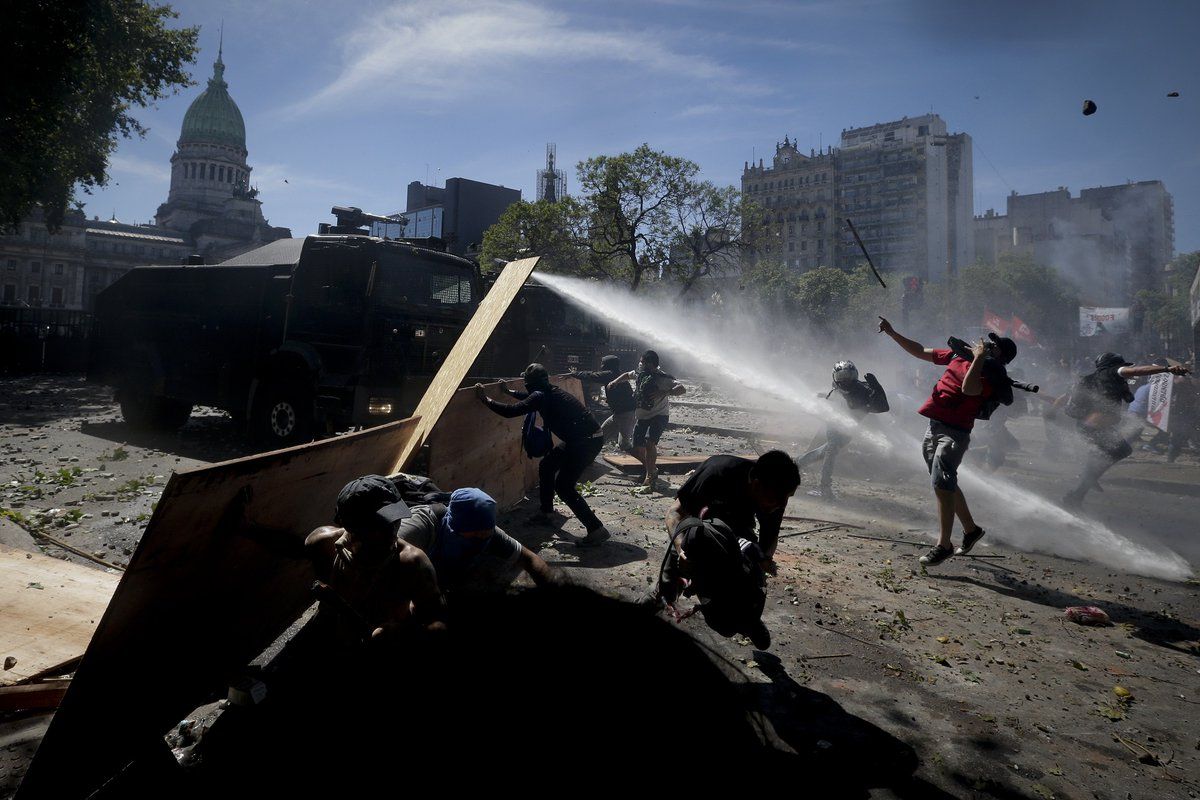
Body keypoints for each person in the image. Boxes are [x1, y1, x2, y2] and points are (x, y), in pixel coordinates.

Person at [878, 317, 1017, 567]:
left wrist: (979, 359)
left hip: (955, 432)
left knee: (942, 480)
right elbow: (920, 351)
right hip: (934, 425)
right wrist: (892, 333)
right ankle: (972, 530)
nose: (985, 344)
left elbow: (968, 389)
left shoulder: (990, 375)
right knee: (944, 481)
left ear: (1000, 357)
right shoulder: (957, 357)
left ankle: (944, 545)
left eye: (993, 346)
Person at [475, 363, 611, 546]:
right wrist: (509, 392)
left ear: (531, 384)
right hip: (584, 439)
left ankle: (596, 529)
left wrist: (486, 400)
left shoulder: (541, 395)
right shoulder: (547, 392)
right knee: (547, 466)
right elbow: (529, 399)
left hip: (585, 442)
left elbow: (512, 411)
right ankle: (546, 513)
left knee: (564, 486)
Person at [305, 475, 447, 645]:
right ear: (351, 526)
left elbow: (438, 624)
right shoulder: (322, 544)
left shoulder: (412, 562)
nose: (392, 532)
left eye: (394, 519)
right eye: (377, 525)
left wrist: (402, 632)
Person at [1062, 353, 1190, 508]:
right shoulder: (1111, 371)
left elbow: (1129, 398)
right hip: (1095, 426)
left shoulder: (1096, 378)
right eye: (1123, 366)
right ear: (1114, 365)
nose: (1125, 369)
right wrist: (1167, 369)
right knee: (1119, 450)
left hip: (1090, 426)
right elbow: (1136, 371)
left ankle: (1083, 485)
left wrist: (1123, 387)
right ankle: (1084, 482)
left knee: (1115, 451)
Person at [397, 487, 557, 593]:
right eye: (475, 533)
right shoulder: (420, 525)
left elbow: (529, 558)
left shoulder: (488, 532)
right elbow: (378, 553)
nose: (482, 537)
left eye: (486, 532)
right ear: (457, 526)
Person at [665, 450, 801, 569]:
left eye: (788, 497)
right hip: (699, 528)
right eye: (777, 498)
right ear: (756, 484)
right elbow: (675, 512)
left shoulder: (776, 497)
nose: (783, 505)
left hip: (740, 529)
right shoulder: (717, 473)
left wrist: (762, 561)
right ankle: (660, 593)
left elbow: (770, 538)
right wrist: (680, 549)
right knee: (675, 571)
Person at [795, 360, 889, 499]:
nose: (845, 380)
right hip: (835, 425)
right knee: (831, 451)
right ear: (835, 377)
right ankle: (824, 488)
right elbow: (840, 401)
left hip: (849, 430)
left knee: (823, 452)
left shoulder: (864, 390)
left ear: (855, 376)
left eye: (849, 376)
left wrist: (877, 387)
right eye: (841, 377)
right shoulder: (836, 390)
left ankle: (794, 464)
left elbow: (883, 407)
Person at [616, 350, 685, 487]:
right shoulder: (640, 374)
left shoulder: (662, 377)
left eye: (642, 361)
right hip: (642, 416)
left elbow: (682, 388)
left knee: (649, 443)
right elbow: (627, 375)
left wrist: (665, 392)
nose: (640, 364)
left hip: (659, 416)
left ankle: (649, 476)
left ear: (650, 363)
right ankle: (651, 469)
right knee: (637, 447)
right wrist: (615, 381)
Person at [574, 354, 636, 452]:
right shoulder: (616, 374)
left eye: (603, 364)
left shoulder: (610, 374)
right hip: (618, 414)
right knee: (600, 436)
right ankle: (589, 458)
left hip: (626, 415)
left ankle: (644, 460)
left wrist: (575, 373)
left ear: (608, 365)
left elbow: (592, 375)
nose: (601, 366)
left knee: (624, 444)